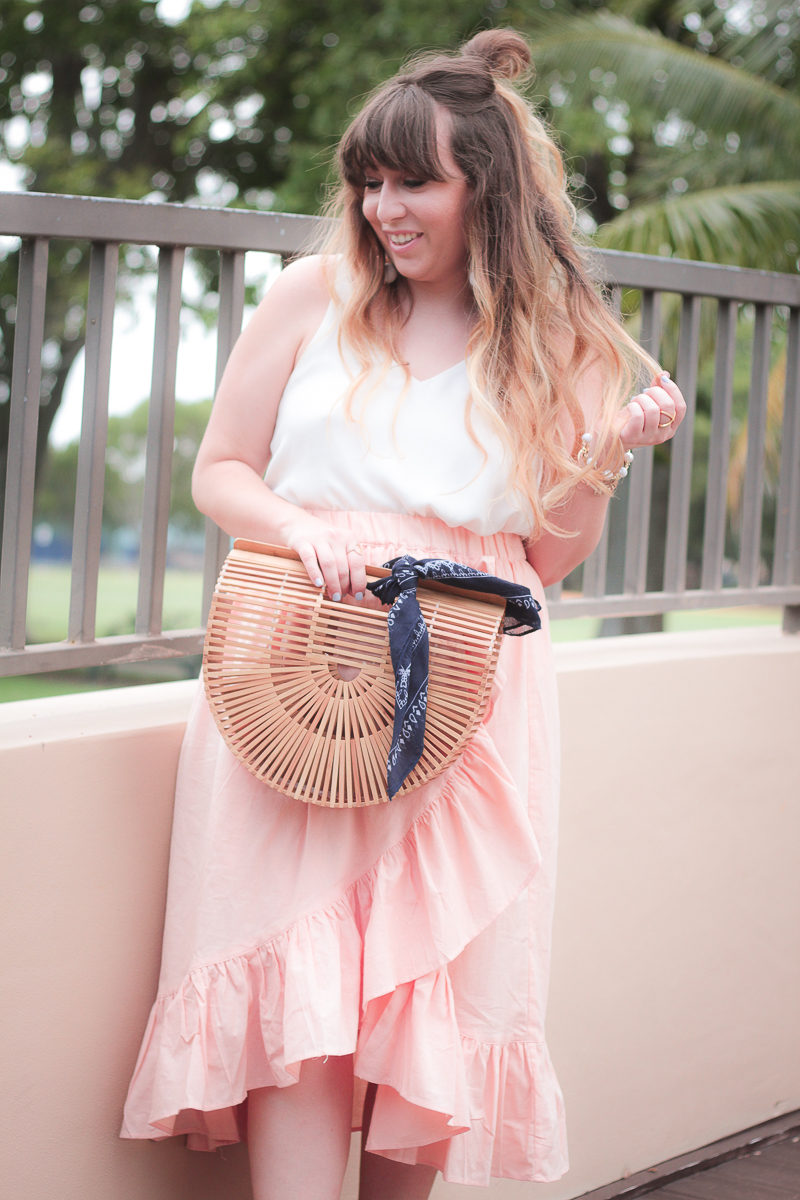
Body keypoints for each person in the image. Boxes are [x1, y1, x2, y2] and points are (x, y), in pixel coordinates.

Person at [121, 27, 686, 1200]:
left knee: (422, 994)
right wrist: (298, 527)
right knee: (301, 984)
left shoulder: (563, 343)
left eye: (413, 180)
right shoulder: (309, 295)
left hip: (466, 694)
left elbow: (543, 558)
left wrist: (607, 454)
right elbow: (222, 471)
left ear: (490, 188)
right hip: (299, 672)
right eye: (369, 181)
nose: (382, 208)